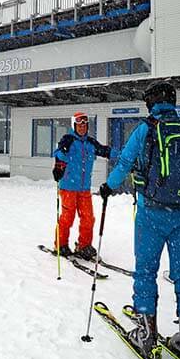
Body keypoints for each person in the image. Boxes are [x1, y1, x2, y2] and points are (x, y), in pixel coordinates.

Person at [98, 81, 180, 359]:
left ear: (152, 103)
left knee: (146, 270)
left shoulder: (146, 129)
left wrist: (108, 187)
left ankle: (146, 335)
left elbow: (124, 164)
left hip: (151, 211)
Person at [52, 111, 111, 261]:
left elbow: (105, 151)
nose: (82, 128)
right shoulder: (68, 140)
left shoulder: (91, 143)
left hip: (84, 188)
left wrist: (125, 156)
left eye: (85, 125)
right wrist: (61, 159)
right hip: (68, 187)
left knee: (88, 218)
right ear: (74, 126)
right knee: (67, 218)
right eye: (79, 125)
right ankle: (61, 244)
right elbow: (58, 154)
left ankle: (84, 246)